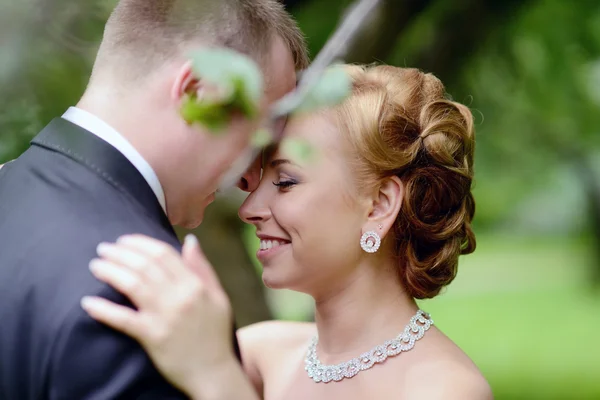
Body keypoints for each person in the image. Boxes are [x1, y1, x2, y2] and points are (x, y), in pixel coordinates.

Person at [83, 65, 494, 399]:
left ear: (380, 205)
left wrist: (217, 379)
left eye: (285, 182)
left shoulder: (445, 389)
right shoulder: (263, 354)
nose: (249, 210)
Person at [0, 0, 308, 399]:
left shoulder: (11, 188)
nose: (251, 178)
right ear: (198, 92)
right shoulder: (144, 300)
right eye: (258, 133)